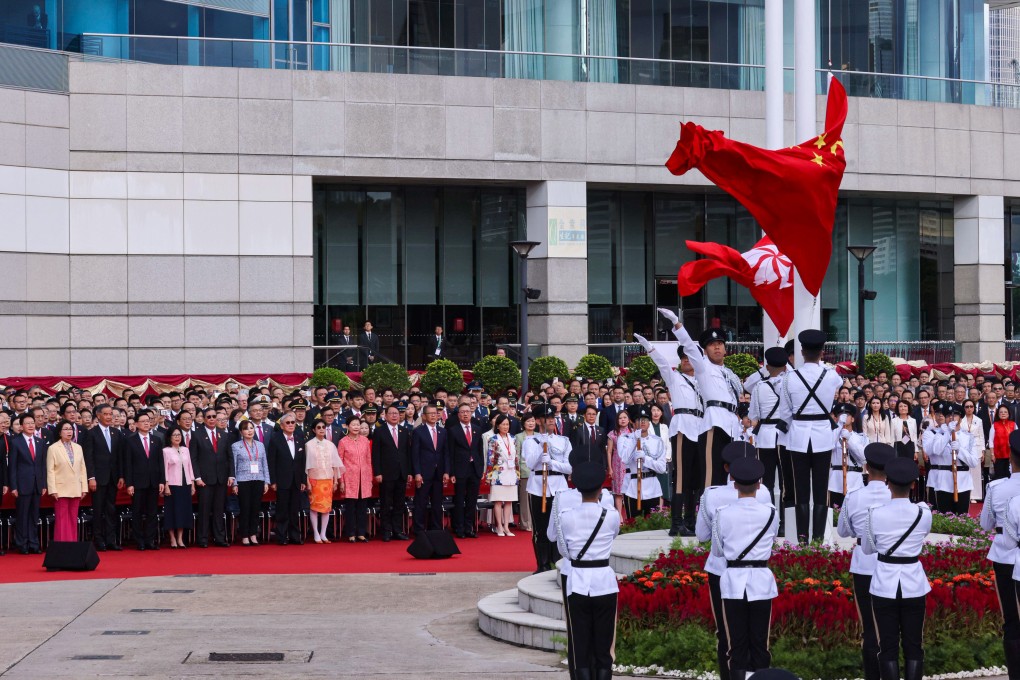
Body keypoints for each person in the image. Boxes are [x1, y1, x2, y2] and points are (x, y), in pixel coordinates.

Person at [695, 442, 773, 680]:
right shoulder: (764, 493)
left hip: (723, 571)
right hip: (758, 571)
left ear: (727, 468)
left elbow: (703, 536)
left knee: (728, 637)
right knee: (759, 641)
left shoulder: (712, 495)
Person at [862, 457, 932, 680]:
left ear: (888, 483)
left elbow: (867, 549)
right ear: (913, 484)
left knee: (888, 647)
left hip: (884, 582)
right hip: (914, 582)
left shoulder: (875, 513)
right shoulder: (924, 513)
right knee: (914, 646)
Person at [550, 460, 621, 680]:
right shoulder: (612, 515)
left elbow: (564, 551)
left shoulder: (566, 516)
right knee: (604, 648)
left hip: (578, 583)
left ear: (577, 489)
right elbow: (613, 535)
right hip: (604, 583)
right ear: (601, 489)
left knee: (580, 648)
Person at [711, 456, 779, 680]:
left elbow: (718, 551)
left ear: (734, 483)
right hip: (761, 581)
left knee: (736, 648)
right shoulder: (771, 512)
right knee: (760, 646)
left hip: (733, 581)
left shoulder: (723, 513)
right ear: (759, 484)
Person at [658, 309, 742, 490]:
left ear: (725, 349)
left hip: (732, 425)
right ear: (704, 351)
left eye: (720, 343)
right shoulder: (703, 367)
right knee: (713, 477)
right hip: (714, 423)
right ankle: (709, 508)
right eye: (712, 344)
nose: (717, 347)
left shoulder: (731, 374)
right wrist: (676, 323)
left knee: (732, 477)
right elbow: (688, 345)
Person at [634, 332, 703, 536]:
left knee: (696, 479)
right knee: (681, 476)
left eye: (690, 357)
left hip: (700, 427)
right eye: (683, 358)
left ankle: (690, 520)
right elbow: (663, 364)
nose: (687, 361)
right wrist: (649, 347)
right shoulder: (675, 378)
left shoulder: (703, 380)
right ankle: (676, 523)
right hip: (682, 427)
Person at [836, 442, 895, 680]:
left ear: (866, 467)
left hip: (864, 563)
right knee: (889, 626)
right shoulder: (895, 496)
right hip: (891, 563)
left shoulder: (854, 496)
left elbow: (843, 531)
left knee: (869, 628)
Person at [779, 329, 842, 543]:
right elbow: (838, 385)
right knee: (821, 488)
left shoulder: (790, 378)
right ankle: (817, 539)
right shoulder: (832, 376)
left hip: (798, 435)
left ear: (802, 352)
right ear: (822, 352)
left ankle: (803, 539)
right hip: (823, 435)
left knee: (801, 490)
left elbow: (785, 413)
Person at [979, 430, 1020, 678]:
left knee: (1011, 619)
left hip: (1005, 554)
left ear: (1011, 458)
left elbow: (985, 524)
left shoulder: (996, 488)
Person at [522, 405, 573, 573]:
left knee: (559, 527)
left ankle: (556, 563)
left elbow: (569, 467)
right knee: (541, 529)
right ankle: (542, 565)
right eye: (546, 418)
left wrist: (552, 463)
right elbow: (530, 463)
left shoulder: (563, 441)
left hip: (559, 486)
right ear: (538, 421)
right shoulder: (530, 441)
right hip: (538, 486)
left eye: (552, 417)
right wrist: (541, 445)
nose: (551, 420)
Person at [748, 346, 791, 529]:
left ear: (767, 366)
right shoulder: (790, 384)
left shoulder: (759, 387)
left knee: (766, 483)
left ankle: (768, 521)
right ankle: (785, 523)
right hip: (784, 436)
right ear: (785, 366)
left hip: (765, 436)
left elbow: (753, 415)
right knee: (785, 482)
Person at [82, 403, 125, 551]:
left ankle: (111, 540)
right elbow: (88, 458)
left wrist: (121, 476)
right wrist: (91, 477)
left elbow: (119, 456)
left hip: (113, 478)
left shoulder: (116, 433)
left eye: (110, 414)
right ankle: (99, 540)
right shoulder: (91, 433)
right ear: (98, 416)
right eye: (106, 414)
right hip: (98, 478)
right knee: (98, 510)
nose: (109, 417)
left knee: (111, 510)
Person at [123, 410, 165, 550]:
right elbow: (128, 464)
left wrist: (161, 481)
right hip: (137, 482)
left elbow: (160, 462)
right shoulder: (130, 440)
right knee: (137, 512)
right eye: (143, 421)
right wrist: (129, 484)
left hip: (153, 482)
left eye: (148, 421)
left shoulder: (157, 440)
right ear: (136, 424)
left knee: (152, 512)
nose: (147, 423)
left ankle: (150, 540)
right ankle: (139, 540)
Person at [192, 408, 233, 548]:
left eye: (214, 416)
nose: (211, 419)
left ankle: (219, 538)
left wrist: (231, 475)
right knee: (204, 510)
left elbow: (230, 457)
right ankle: (203, 539)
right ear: (204, 419)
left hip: (221, 478)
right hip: (204, 479)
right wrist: (197, 477)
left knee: (219, 510)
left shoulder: (224, 435)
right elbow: (194, 458)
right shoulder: (196, 435)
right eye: (208, 417)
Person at [616, 405, 667, 519]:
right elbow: (624, 458)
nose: (642, 422)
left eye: (645, 419)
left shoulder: (657, 441)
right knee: (633, 523)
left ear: (649, 422)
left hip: (652, 487)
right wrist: (635, 439)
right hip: (632, 487)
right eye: (639, 420)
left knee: (653, 524)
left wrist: (646, 459)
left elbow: (662, 468)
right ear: (633, 423)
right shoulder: (625, 438)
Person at [928, 403, 979, 514]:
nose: (951, 418)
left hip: (963, 482)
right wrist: (947, 434)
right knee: (943, 517)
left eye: (955, 415)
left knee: (962, 516)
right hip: (943, 481)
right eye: (948, 416)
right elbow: (936, 450)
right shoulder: (939, 434)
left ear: (960, 418)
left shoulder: (968, 437)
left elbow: (974, 462)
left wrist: (960, 450)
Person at [372, 404, 412, 541]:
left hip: (402, 473)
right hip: (386, 473)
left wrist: (409, 472)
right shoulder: (379, 431)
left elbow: (408, 453)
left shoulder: (404, 431)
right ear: (385, 415)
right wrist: (377, 472)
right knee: (386, 503)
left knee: (399, 504)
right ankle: (386, 531)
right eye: (391, 413)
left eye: (397, 413)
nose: (395, 416)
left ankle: (397, 530)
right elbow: (376, 454)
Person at [267, 413, 307, 545]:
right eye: (288, 423)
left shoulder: (300, 438)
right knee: (282, 510)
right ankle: (282, 536)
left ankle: (295, 536)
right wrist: (273, 481)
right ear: (282, 425)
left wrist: (303, 480)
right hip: (281, 480)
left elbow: (302, 462)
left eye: (293, 422)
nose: (291, 425)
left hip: (296, 480)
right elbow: (271, 461)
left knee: (295, 510)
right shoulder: (275, 439)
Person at [9, 414, 47, 554]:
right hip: (22, 484)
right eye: (27, 423)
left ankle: (34, 543)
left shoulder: (40, 442)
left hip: (37, 484)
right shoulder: (15, 442)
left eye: (32, 423)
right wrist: (14, 486)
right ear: (21, 426)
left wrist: (43, 484)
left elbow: (42, 465)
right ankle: (22, 544)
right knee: (22, 516)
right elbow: (12, 466)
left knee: (34, 516)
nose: (31, 425)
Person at [446, 403, 484, 538]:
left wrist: (481, 469)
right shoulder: (453, 430)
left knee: (472, 500)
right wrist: (451, 472)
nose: (465, 414)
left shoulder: (477, 429)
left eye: (467, 411)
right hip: (459, 470)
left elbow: (480, 450)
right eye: (462, 412)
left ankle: (469, 527)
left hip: (474, 469)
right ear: (458, 415)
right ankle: (459, 528)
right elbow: (450, 453)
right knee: (459, 500)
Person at [46, 420, 87, 543]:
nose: (69, 431)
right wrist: (52, 489)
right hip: (60, 490)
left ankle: (72, 544)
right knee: (62, 519)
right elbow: (50, 470)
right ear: (59, 432)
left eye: (70, 429)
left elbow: (82, 468)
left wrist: (84, 488)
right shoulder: (53, 448)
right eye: (66, 429)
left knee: (73, 518)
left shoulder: (78, 447)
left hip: (76, 488)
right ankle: (61, 546)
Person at [231, 420, 270, 546]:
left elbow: (264, 464)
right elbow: (233, 466)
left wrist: (266, 481)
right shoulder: (236, 446)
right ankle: (244, 535)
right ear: (241, 432)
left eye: (251, 428)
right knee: (245, 508)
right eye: (246, 428)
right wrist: (235, 483)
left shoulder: (260, 445)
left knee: (255, 508)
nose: (249, 431)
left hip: (258, 479)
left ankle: (253, 534)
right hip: (243, 480)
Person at [410, 404, 448, 533]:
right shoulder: (418, 431)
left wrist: (446, 471)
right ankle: (419, 529)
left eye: (435, 413)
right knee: (421, 502)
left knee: (437, 503)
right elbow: (415, 454)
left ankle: (436, 529)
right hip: (424, 473)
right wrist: (417, 473)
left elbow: (446, 453)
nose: (433, 416)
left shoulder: (443, 431)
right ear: (424, 416)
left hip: (439, 472)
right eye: (430, 413)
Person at [305, 420, 344, 544]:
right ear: (314, 430)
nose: (321, 429)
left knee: (327, 508)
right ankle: (316, 533)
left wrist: (336, 481)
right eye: (319, 427)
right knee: (314, 507)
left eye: (323, 427)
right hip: (314, 479)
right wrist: (307, 482)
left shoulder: (330, 445)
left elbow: (335, 464)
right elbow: (305, 466)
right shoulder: (308, 445)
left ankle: (323, 533)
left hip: (328, 479)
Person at [338, 415, 373, 542]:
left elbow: (368, 460)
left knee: (362, 507)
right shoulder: (343, 442)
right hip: (349, 478)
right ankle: (351, 533)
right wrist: (341, 481)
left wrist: (369, 478)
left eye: (358, 424)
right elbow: (340, 463)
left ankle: (361, 533)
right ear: (347, 426)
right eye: (353, 425)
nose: (356, 427)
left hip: (364, 478)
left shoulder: (365, 440)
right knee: (351, 507)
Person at [828, 403, 868, 512]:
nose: (844, 417)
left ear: (853, 419)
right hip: (836, 481)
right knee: (835, 516)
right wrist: (838, 430)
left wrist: (849, 439)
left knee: (855, 513)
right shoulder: (832, 436)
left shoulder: (861, 438)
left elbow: (863, 458)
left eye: (847, 415)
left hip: (855, 481)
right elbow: (829, 446)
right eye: (840, 415)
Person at [485, 413, 519, 537]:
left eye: (507, 424)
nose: (505, 427)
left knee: (509, 501)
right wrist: (489, 476)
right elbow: (490, 459)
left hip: (511, 472)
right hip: (498, 473)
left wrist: (517, 473)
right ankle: (499, 526)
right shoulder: (493, 439)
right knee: (498, 501)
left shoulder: (513, 438)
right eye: (503, 424)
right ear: (498, 426)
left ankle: (506, 526)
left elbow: (516, 457)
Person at [162, 425, 196, 549]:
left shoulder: (185, 449)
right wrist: (166, 485)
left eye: (179, 435)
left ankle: (180, 538)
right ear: (169, 437)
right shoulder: (166, 451)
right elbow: (164, 469)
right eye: (174, 435)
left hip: (185, 484)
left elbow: (190, 467)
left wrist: (192, 484)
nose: (177, 437)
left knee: (183, 511)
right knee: (172, 511)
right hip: (172, 485)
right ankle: (172, 538)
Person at [606, 409, 632, 515]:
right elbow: (609, 452)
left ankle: (630, 515)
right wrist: (610, 468)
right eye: (620, 418)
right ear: (617, 420)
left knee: (630, 491)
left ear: (629, 419)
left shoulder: (633, 432)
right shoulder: (612, 433)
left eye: (625, 417)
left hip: (630, 463)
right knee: (618, 492)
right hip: (617, 464)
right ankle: (620, 516)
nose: (623, 420)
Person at [514, 412, 537, 532]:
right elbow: (517, 455)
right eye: (528, 421)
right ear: (523, 423)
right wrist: (518, 471)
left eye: (532, 421)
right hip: (524, 471)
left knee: (536, 499)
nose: (531, 423)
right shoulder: (518, 437)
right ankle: (525, 523)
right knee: (525, 499)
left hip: (538, 472)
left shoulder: (539, 436)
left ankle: (535, 523)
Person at [990, 404, 1017, 481]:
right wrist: (992, 454)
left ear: (1008, 414)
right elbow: (991, 441)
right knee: (1000, 477)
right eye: (1001, 412)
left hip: (1011, 456)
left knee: (1010, 476)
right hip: (998, 456)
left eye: (1005, 412)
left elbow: (1017, 439)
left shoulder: (1013, 424)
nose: (1003, 414)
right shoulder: (994, 425)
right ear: (998, 414)